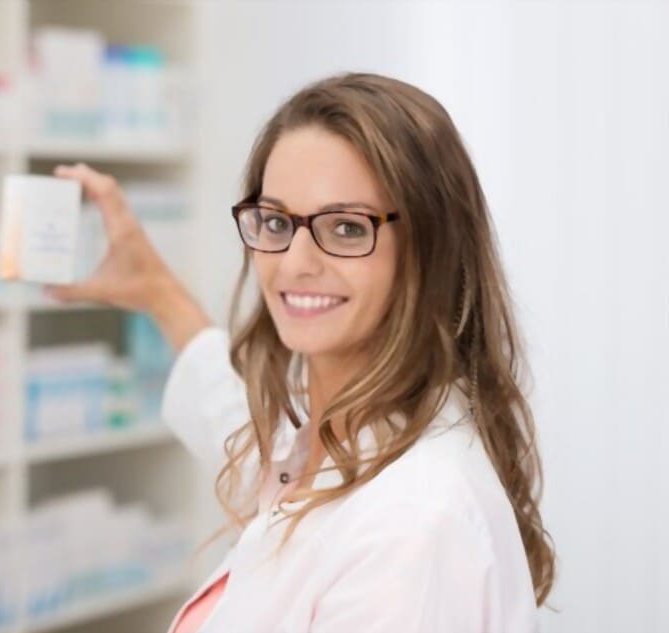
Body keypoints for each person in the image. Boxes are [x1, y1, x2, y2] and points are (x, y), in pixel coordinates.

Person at [45, 72, 555, 633]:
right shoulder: (322, 440)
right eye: (276, 221)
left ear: (430, 248)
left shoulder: (412, 525)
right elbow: (238, 423)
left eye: (346, 227)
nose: (294, 263)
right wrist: (158, 293)